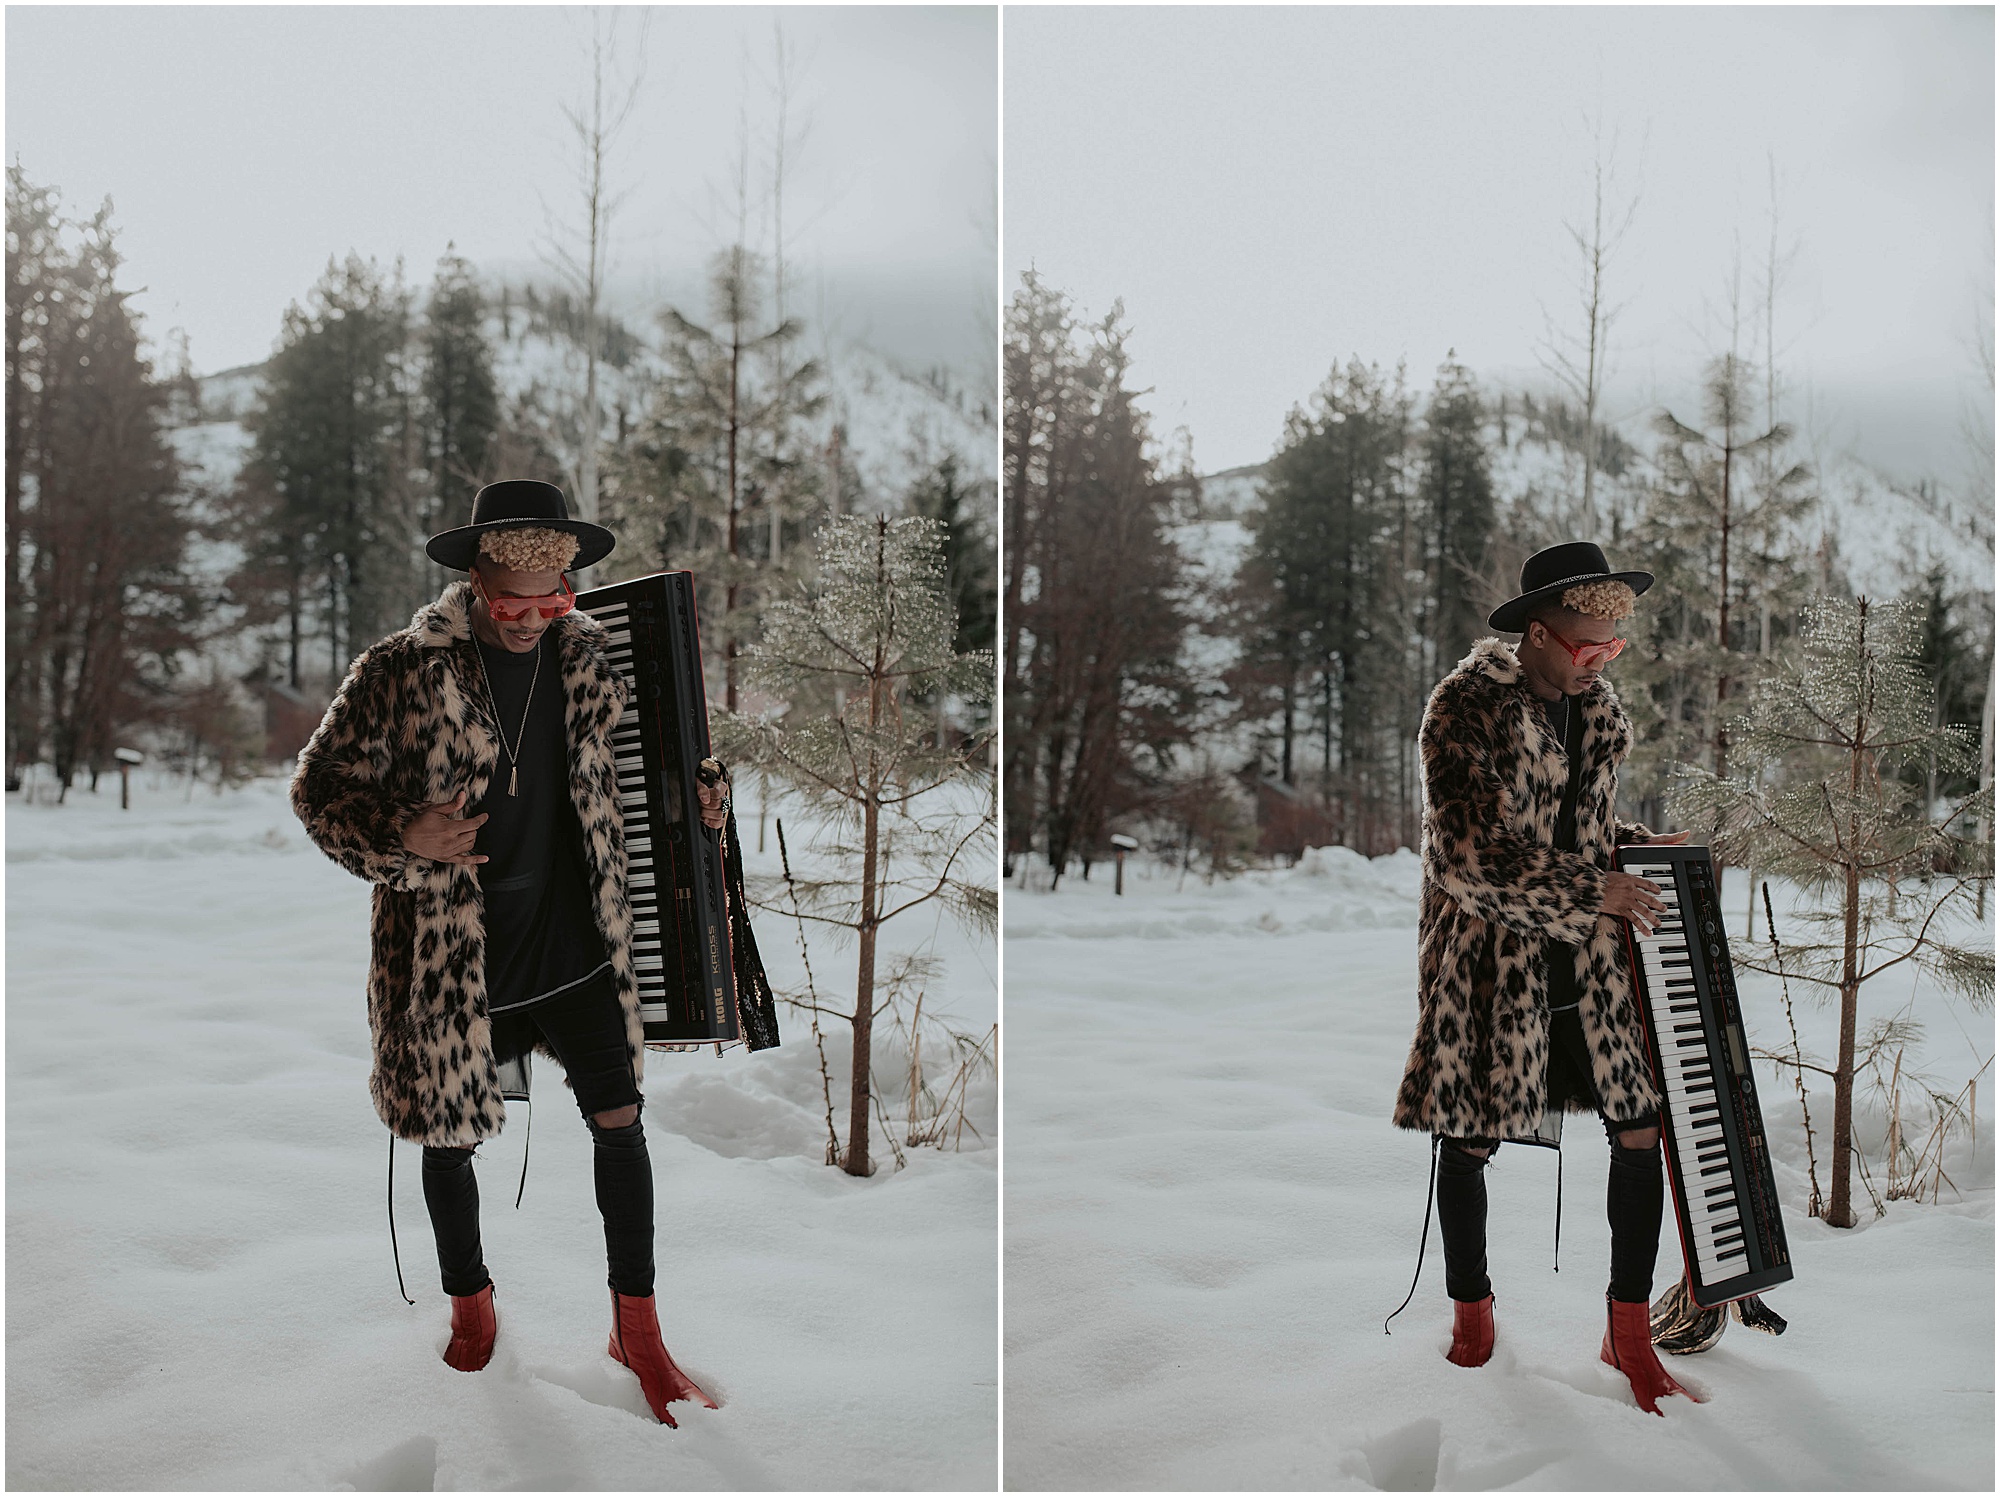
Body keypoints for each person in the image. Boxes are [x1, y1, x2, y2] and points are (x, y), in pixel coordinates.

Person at [292, 479, 728, 1427]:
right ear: (475, 579)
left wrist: (702, 805)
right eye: (512, 600)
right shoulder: (399, 671)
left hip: (576, 943)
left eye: (554, 596)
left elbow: (659, 771)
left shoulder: (594, 660)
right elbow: (318, 790)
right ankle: (471, 1303)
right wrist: (404, 830)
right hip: (455, 960)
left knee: (621, 1122)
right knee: (448, 1140)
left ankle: (638, 1329)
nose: (534, 618)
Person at [1391, 541, 1697, 1416]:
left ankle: (1627, 1333)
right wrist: (1590, 885)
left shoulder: (1593, 711)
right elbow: (1467, 854)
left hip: (1591, 958)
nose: (1604, 662)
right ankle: (1473, 1320)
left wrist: (1633, 849)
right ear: (1539, 632)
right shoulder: (1463, 709)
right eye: (1589, 646)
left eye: (1615, 648)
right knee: (1473, 1138)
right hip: (1491, 960)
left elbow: (1575, 825)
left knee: (1640, 1127)